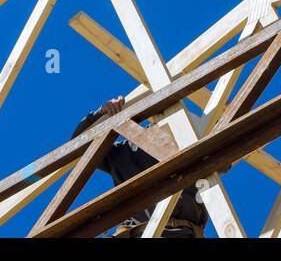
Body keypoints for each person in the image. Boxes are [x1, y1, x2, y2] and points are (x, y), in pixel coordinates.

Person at [72, 96, 209, 238]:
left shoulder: (196, 149)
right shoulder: (128, 151)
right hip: (139, 233)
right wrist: (101, 113)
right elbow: (78, 148)